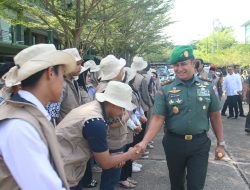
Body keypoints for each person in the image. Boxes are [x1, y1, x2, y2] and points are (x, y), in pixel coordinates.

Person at [136, 45, 225, 190]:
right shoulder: (165, 88)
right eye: (175, 65)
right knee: (176, 184)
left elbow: (215, 116)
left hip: (199, 144)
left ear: (193, 62)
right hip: (174, 143)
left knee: (196, 185)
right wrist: (144, 142)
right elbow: (158, 118)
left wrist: (221, 143)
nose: (179, 68)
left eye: (183, 64)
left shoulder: (207, 87)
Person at [0, 44, 76, 189]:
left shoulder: (26, 116)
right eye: (63, 75)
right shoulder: (20, 125)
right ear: (50, 73)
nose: (63, 82)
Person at [55, 81, 141, 190]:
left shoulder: (93, 108)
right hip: (62, 172)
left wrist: (116, 157)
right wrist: (129, 154)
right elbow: (105, 163)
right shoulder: (96, 122)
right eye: (122, 108)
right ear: (114, 104)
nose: (122, 112)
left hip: (62, 165)